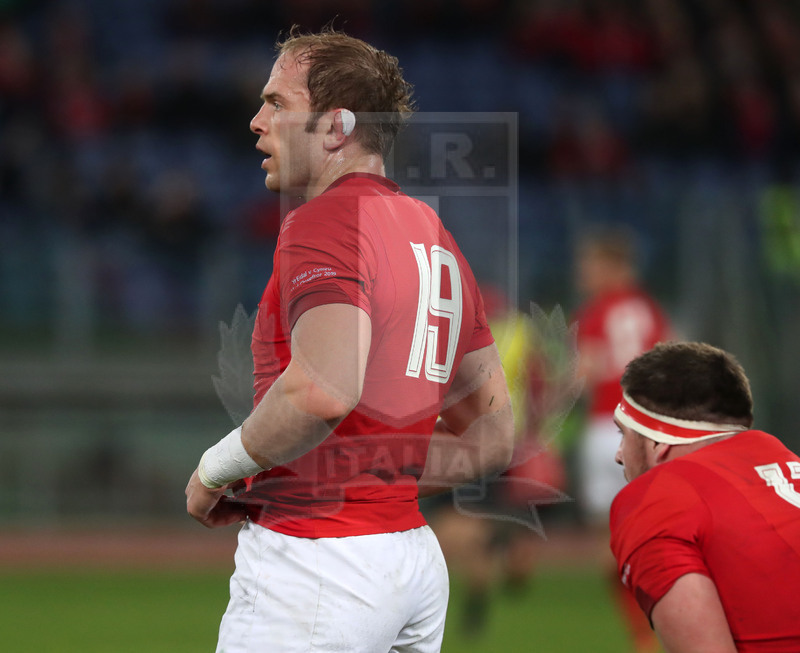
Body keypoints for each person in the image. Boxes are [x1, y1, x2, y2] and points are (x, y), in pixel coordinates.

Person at [184, 27, 515, 653]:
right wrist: (369, 481)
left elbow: (322, 391)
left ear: (337, 127)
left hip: (318, 566)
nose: (256, 121)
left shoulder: (327, 220)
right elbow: (492, 434)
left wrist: (214, 470)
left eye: (278, 103)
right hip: (411, 561)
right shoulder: (432, 234)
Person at [611, 341, 800, 652]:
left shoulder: (654, 499)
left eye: (624, 434)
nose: (619, 455)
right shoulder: (785, 461)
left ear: (659, 443)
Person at [570, 228, 671, 652]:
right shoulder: (650, 310)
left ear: (611, 267)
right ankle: (670, 621)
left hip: (604, 430)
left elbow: (585, 372)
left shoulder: (596, 312)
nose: (584, 273)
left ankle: (640, 632)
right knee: (656, 533)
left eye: (590, 265)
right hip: (650, 430)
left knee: (608, 542)